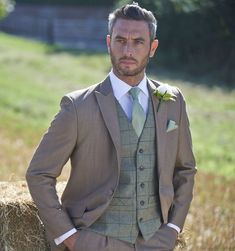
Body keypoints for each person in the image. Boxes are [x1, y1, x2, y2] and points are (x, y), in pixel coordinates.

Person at [26, 2, 196, 251]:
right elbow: (39, 174)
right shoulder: (77, 107)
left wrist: (173, 228)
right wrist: (70, 237)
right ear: (109, 43)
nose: (128, 50)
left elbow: (185, 170)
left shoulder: (172, 100)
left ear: (153, 47)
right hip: (94, 240)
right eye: (120, 40)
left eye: (138, 41)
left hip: (156, 241)